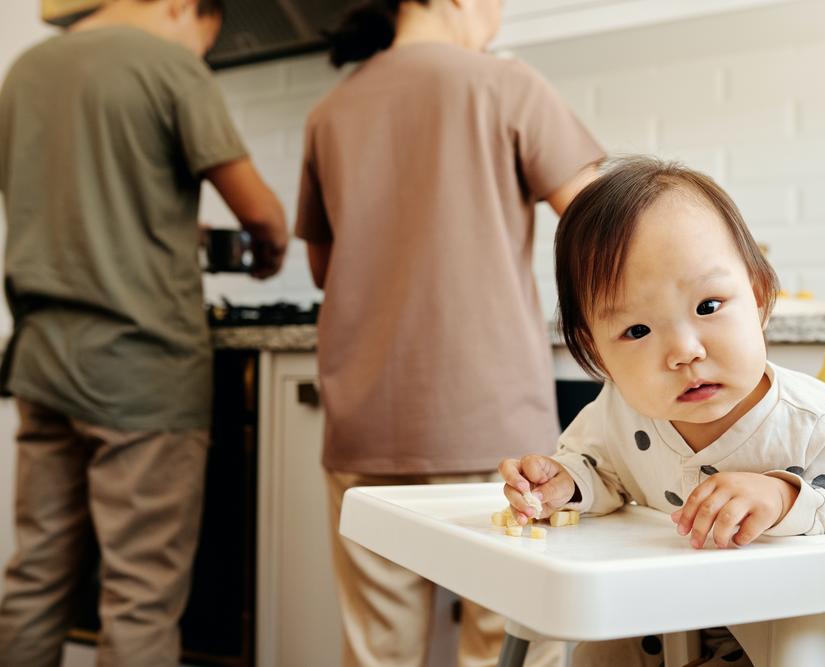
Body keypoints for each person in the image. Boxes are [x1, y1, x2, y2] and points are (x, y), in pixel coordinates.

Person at [294, 0, 604, 665]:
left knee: (378, 650)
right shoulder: (505, 83)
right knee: (508, 645)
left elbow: (325, 267)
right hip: (492, 425)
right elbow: (603, 222)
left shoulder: (330, 112)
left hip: (366, 424)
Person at [499, 157, 825, 666]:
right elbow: (598, 472)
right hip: (652, 623)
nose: (683, 351)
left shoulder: (818, 424)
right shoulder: (620, 407)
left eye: (707, 307)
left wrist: (783, 497)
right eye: (636, 331)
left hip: (778, 642)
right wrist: (560, 484)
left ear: (760, 295)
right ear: (597, 351)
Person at [0, 0, 288, 664]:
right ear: (183, 8)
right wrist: (267, 250)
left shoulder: (25, 70)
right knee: (140, 591)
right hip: (141, 367)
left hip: (42, 358)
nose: (202, 53)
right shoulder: (170, 68)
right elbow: (260, 213)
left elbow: (71, 208)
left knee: (36, 575)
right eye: (205, 40)